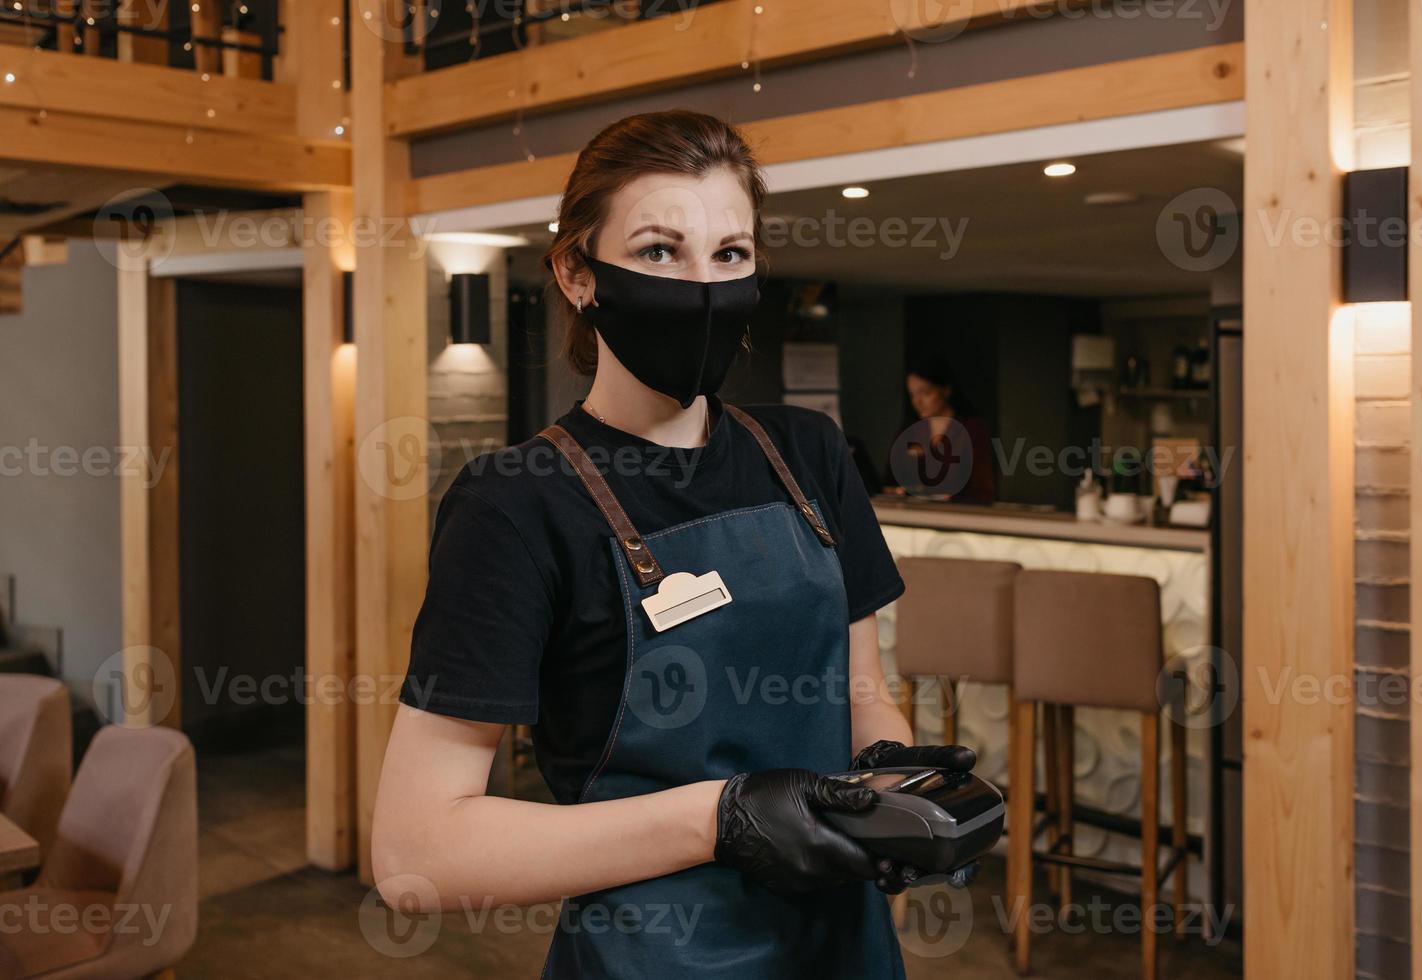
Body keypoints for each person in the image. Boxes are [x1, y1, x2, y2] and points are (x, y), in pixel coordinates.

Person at [371, 110, 973, 978]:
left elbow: (862, 691)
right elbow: (416, 855)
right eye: (660, 251)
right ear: (579, 273)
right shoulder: (515, 506)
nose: (703, 286)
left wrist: (889, 787)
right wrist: (719, 819)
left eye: (730, 255)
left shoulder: (808, 454)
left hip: (842, 949)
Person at [894, 353, 997, 505]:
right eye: (912, 394)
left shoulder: (972, 430)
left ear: (946, 390)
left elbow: (982, 490)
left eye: (926, 392)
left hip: (960, 516)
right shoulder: (910, 432)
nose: (917, 401)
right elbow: (891, 481)